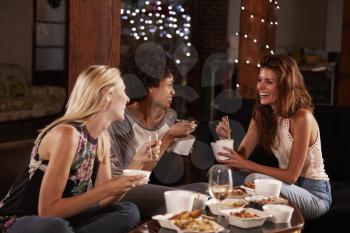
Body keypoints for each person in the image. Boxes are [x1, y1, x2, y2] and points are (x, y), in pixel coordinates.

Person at [0, 65, 146, 233]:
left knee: (128, 211)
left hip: (62, 220)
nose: (127, 99)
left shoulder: (102, 138)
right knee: (58, 227)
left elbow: (104, 199)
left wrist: (137, 164)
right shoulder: (68, 134)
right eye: (123, 91)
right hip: (18, 220)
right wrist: (107, 188)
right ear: (107, 94)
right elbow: (47, 211)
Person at [215, 54, 332, 220]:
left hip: (314, 195)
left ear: (285, 86)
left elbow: (291, 176)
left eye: (268, 82)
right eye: (260, 80)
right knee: (218, 172)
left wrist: (246, 164)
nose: (260, 87)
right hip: (280, 187)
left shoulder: (302, 118)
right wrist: (225, 140)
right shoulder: (261, 116)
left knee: (255, 179)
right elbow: (237, 162)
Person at [108, 57, 207, 218]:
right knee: (188, 202)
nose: (173, 92)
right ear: (150, 87)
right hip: (120, 192)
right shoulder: (122, 120)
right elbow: (131, 179)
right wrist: (168, 137)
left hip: (149, 184)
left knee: (205, 189)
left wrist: (181, 141)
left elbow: (153, 171)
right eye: (169, 85)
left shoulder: (169, 116)